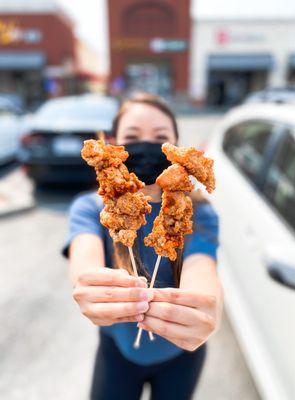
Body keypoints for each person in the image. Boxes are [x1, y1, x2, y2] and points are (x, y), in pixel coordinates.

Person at [62, 93, 223, 400]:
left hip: (181, 353)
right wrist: (91, 286)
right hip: (116, 351)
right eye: (132, 137)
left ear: (176, 147)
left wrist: (206, 308)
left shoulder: (199, 212)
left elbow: (203, 268)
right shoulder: (90, 206)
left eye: (160, 138)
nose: (146, 146)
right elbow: (84, 261)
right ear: (114, 144)